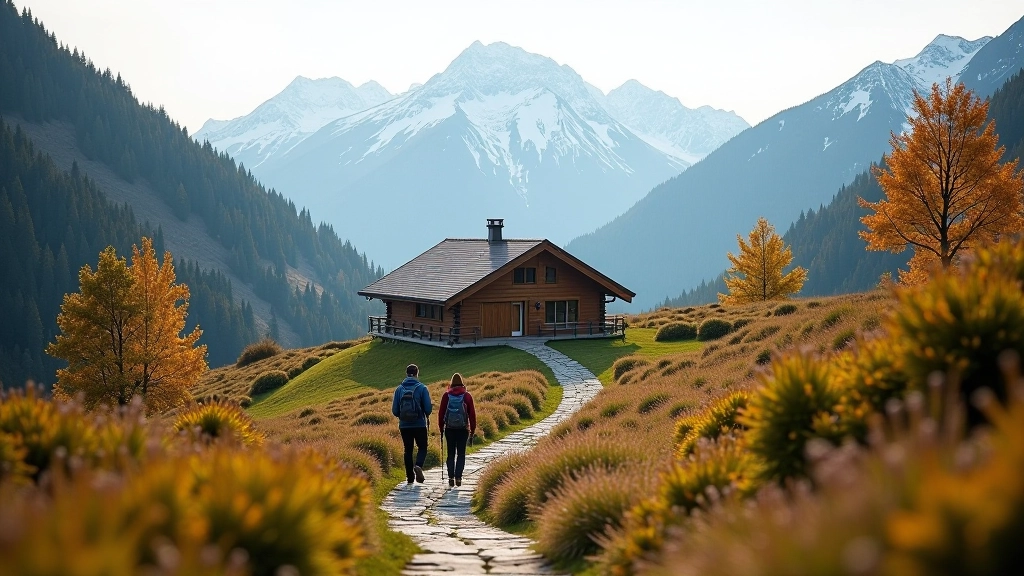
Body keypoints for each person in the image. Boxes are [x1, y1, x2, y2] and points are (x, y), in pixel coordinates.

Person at [392, 363, 432, 485]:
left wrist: (402, 417)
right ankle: (418, 465)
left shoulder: (399, 389)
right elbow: (428, 409)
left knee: (408, 450)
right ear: (416, 373)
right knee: (423, 447)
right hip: (419, 424)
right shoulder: (422, 388)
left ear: (406, 373)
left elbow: (394, 410)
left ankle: (410, 478)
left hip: (404, 425)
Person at [437, 372, 476, 487]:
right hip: (463, 429)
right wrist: (472, 430)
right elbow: (472, 415)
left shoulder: (446, 395)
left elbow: (441, 413)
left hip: (449, 429)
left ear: (451, 383)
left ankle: (450, 477)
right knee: (461, 454)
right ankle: (458, 477)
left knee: (450, 454)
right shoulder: (467, 396)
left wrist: (441, 428)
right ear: (462, 383)